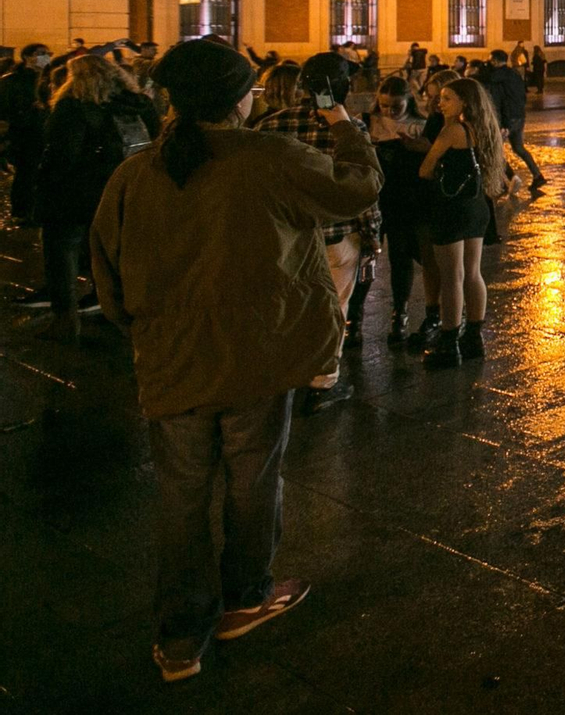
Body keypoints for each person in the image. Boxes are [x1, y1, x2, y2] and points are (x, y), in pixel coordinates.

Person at [91, 38, 380, 682]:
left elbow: (106, 277)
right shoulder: (269, 156)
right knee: (253, 481)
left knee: (181, 498)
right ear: (236, 99)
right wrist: (341, 122)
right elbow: (356, 189)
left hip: (171, 361)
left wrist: (148, 331)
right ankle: (246, 597)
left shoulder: (136, 172)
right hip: (255, 353)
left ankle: (180, 638)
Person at [253, 54, 381, 412]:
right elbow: (365, 189)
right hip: (337, 235)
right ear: (346, 88)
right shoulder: (350, 129)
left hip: (286, 234)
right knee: (333, 308)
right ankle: (323, 382)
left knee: (289, 303)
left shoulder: (271, 124)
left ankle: (285, 369)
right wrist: (372, 237)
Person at [34, 55, 160, 342]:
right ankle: (114, 310)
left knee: (62, 251)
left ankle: (65, 320)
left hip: (75, 193)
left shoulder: (74, 106)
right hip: (124, 189)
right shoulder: (139, 104)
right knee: (112, 253)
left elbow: (62, 155)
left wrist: (44, 184)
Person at [417, 79, 506, 368]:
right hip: (477, 207)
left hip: (452, 208)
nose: (439, 103)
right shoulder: (485, 129)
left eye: (447, 98)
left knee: (451, 275)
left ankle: (448, 341)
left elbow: (425, 169)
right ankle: (474, 337)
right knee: (473, 272)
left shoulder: (452, 130)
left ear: (464, 103)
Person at [367, 77, 432, 343]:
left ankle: (400, 314)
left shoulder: (420, 126)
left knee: (401, 260)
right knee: (364, 259)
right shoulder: (367, 122)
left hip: (405, 202)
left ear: (409, 102)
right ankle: (353, 319)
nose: (390, 112)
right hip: (374, 202)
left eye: (396, 107)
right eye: (384, 106)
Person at [0, 43, 50, 229]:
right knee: (25, 174)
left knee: (40, 174)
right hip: (23, 134)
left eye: (47, 53)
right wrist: (28, 112)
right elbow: (5, 109)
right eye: (41, 54)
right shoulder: (11, 80)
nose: (46, 57)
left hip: (43, 132)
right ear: (28, 57)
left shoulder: (47, 78)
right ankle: (21, 212)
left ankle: (36, 210)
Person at [481, 49, 545, 190]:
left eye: (491, 60)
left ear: (495, 61)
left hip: (507, 118)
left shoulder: (497, 76)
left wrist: (504, 122)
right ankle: (537, 175)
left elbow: (496, 94)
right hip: (519, 116)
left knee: (494, 150)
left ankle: (508, 180)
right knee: (518, 148)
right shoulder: (514, 73)